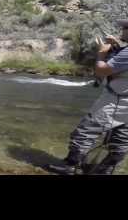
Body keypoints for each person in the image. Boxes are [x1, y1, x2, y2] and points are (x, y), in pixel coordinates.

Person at [49, 19, 128, 175]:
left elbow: (102, 70)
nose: (122, 29)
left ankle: (71, 167)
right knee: (121, 139)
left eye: (125, 27)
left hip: (118, 100)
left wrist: (101, 53)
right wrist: (117, 46)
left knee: (85, 131)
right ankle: (103, 170)